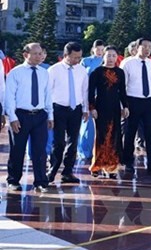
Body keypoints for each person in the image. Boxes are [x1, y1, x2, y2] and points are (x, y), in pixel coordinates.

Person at [5, 43, 53, 192]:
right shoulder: (15, 72)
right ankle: (13, 180)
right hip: (20, 116)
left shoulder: (44, 72)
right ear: (26, 55)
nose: (40, 56)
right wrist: (12, 117)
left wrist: (50, 115)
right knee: (17, 149)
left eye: (41, 53)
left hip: (39, 115)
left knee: (40, 151)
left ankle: (40, 181)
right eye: (36, 54)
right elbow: (9, 96)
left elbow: (47, 95)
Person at [47, 42, 89, 185]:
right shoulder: (54, 70)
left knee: (73, 141)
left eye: (79, 57)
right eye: (75, 57)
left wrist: (85, 109)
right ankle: (52, 170)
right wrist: (49, 114)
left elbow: (85, 91)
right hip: (58, 109)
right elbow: (47, 93)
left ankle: (68, 172)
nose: (78, 60)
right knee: (58, 142)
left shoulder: (82, 70)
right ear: (66, 55)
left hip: (75, 109)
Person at [121, 38, 151, 175]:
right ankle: (128, 162)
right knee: (130, 133)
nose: (147, 49)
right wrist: (123, 105)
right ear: (137, 47)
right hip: (132, 101)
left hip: (148, 102)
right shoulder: (127, 63)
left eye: (149, 47)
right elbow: (122, 86)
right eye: (144, 46)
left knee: (150, 134)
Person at [88, 46, 129, 178]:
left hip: (115, 107)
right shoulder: (97, 72)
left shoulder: (120, 72)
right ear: (103, 57)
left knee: (114, 136)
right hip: (100, 108)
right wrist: (92, 108)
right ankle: (97, 165)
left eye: (113, 55)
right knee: (101, 136)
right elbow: (90, 92)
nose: (111, 58)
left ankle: (111, 167)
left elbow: (122, 91)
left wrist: (125, 106)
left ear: (117, 57)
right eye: (108, 55)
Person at [78, 39, 105, 162]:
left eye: (102, 49)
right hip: (88, 95)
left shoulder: (106, 60)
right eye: (97, 49)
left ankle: (101, 151)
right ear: (93, 49)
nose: (99, 52)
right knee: (87, 125)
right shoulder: (86, 61)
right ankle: (84, 151)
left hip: (103, 95)